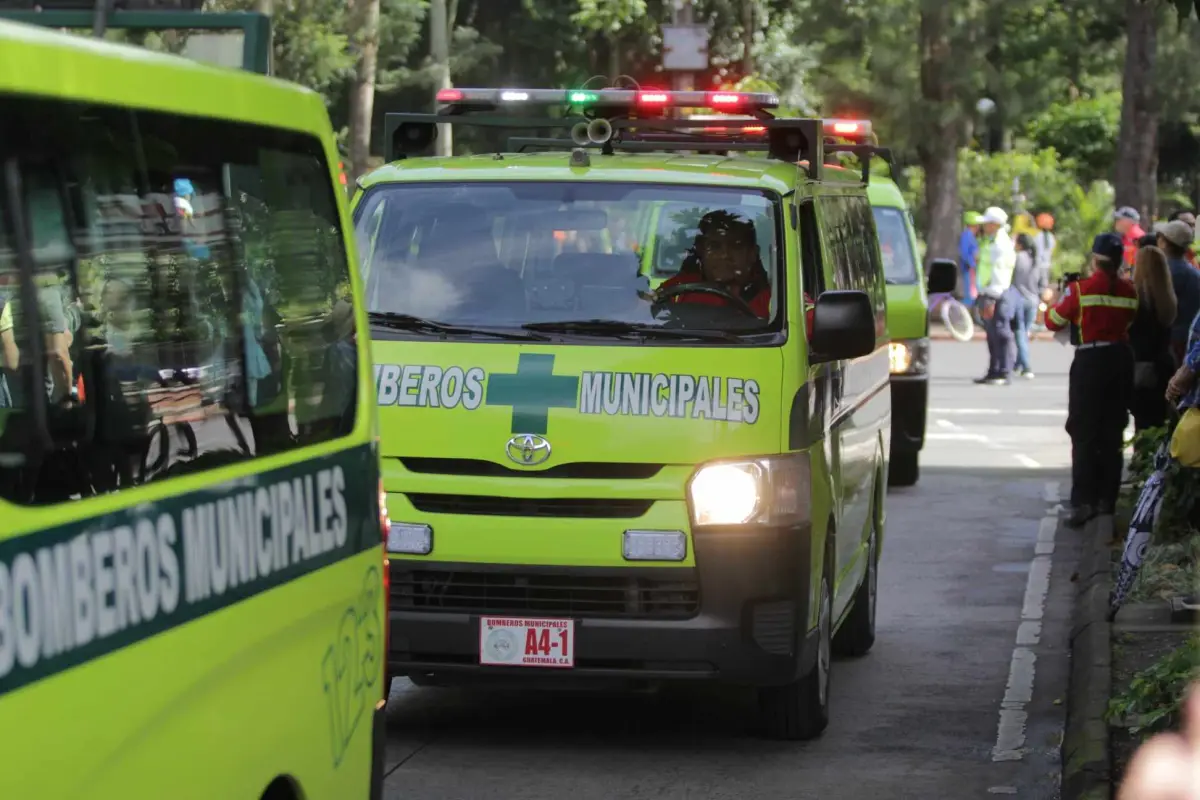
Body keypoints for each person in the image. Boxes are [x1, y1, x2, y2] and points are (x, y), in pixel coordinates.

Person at [1045, 233, 1139, 528]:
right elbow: (1130, 321)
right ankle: (1106, 501)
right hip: (1121, 361)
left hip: (1090, 362)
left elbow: (1053, 321)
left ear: (1096, 259)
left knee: (1083, 431)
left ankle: (1082, 502)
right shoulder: (1130, 291)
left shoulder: (1080, 290)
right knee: (1112, 432)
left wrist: (1058, 298)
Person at [657, 209, 774, 319]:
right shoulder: (678, 290)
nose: (725, 254)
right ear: (701, 251)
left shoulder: (774, 301)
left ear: (752, 253)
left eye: (736, 246)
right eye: (714, 246)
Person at [1129, 245, 1178, 432]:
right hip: (1164, 366)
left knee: (1142, 427)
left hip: (1141, 370)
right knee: (1160, 424)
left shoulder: (1136, 302)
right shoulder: (1168, 301)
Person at [1154, 219, 1200, 366]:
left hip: (1166, 344)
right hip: (1190, 343)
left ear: (1165, 243)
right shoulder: (1195, 274)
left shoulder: (1159, 273)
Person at [1011, 233, 1047, 378]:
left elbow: (1011, 279)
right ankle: (1018, 364)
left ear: (1020, 244)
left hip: (1019, 298)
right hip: (1033, 300)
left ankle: (1026, 366)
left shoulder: (1018, 258)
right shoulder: (1038, 260)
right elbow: (1043, 284)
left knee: (1020, 332)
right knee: (1025, 332)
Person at [1114, 206, 1147, 272]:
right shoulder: (1126, 236)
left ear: (1128, 221)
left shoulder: (1136, 236)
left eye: (1119, 219)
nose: (1116, 222)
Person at [959, 211, 982, 304]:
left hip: (971, 269)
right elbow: (964, 253)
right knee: (969, 295)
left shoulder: (971, 236)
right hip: (968, 270)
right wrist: (972, 264)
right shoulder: (967, 235)